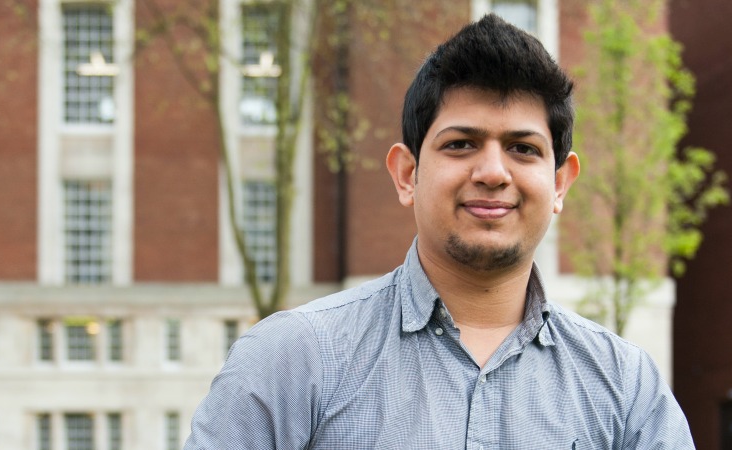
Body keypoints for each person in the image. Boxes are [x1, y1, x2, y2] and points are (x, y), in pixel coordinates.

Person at [185, 14, 694, 449]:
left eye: (523, 148)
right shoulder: (293, 359)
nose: (493, 172)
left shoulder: (627, 390)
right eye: (461, 144)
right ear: (407, 174)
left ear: (559, 183)